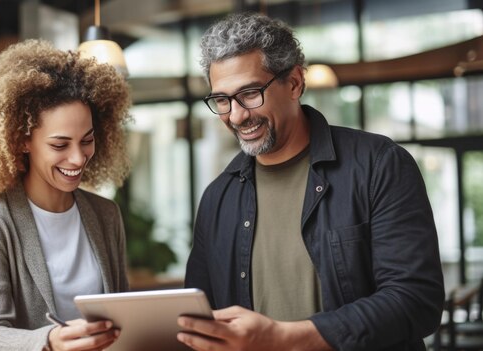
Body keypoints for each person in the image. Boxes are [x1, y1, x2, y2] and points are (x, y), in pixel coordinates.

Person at [178, 12, 444, 351]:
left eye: (249, 93)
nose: (236, 114)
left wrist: (285, 339)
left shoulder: (378, 164)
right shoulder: (218, 197)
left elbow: (416, 300)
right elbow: (196, 318)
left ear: (294, 83)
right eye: (222, 100)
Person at [0, 39, 131, 351]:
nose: (78, 158)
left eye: (87, 140)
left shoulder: (106, 214)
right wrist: (50, 342)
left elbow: (124, 318)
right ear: (22, 140)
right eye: (60, 145)